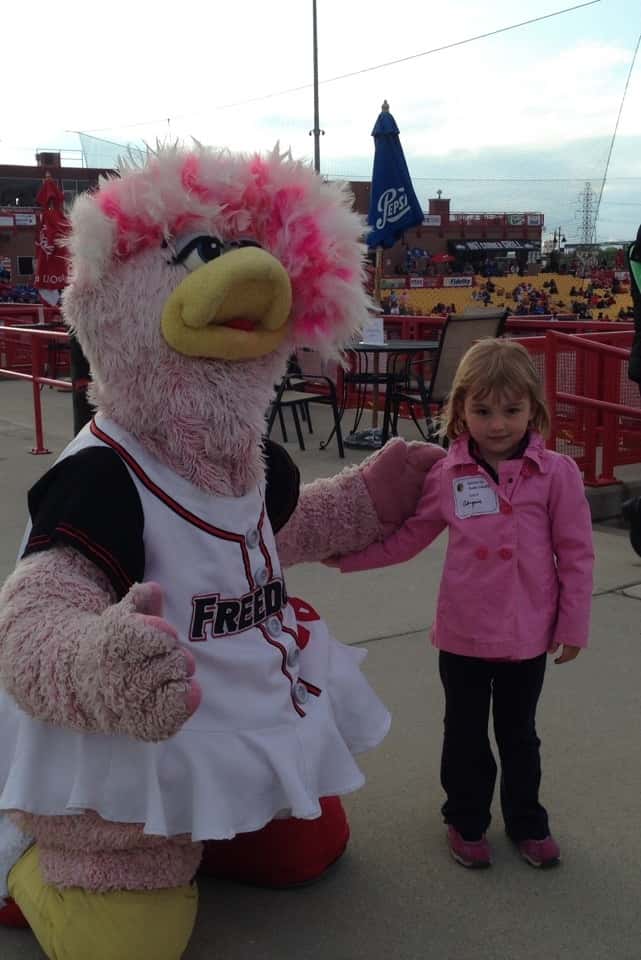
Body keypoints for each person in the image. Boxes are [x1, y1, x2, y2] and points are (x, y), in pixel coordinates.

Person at [333, 339, 594, 870]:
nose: (497, 424)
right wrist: (347, 559)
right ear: (460, 411)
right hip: (464, 635)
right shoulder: (447, 475)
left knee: (520, 734)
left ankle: (527, 821)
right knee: (465, 734)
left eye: (511, 410)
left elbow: (576, 554)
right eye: (483, 411)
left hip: (527, 634)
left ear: (533, 409)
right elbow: (411, 537)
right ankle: (466, 819)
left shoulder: (558, 474)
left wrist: (573, 626)